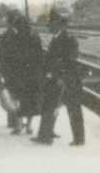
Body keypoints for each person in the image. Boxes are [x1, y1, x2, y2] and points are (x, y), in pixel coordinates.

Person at [34, 11, 85, 146]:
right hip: (57, 78)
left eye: (52, 24)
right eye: (49, 24)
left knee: (72, 108)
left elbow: (69, 60)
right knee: (50, 105)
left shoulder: (68, 40)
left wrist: (56, 73)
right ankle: (45, 135)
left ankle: (78, 139)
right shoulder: (56, 38)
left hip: (66, 79)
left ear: (60, 26)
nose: (49, 27)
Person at [0, 13, 45, 135]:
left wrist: (3, 70)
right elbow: (40, 56)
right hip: (32, 74)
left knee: (16, 98)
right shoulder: (34, 36)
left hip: (16, 74)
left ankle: (18, 125)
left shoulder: (14, 37)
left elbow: (5, 56)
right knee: (31, 99)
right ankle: (29, 126)